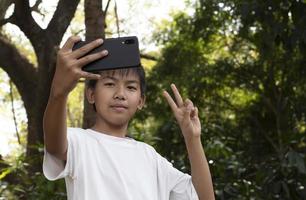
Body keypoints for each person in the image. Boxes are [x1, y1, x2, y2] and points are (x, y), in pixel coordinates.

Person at [42, 36, 215, 200]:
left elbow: (203, 197)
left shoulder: (150, 157)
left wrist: (193, 138)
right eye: (110, 84)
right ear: (91, 94)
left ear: (141, 101)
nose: (120, 94)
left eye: (131, 87)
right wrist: (59, 92)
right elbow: (55, 146)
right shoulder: (78, 141)